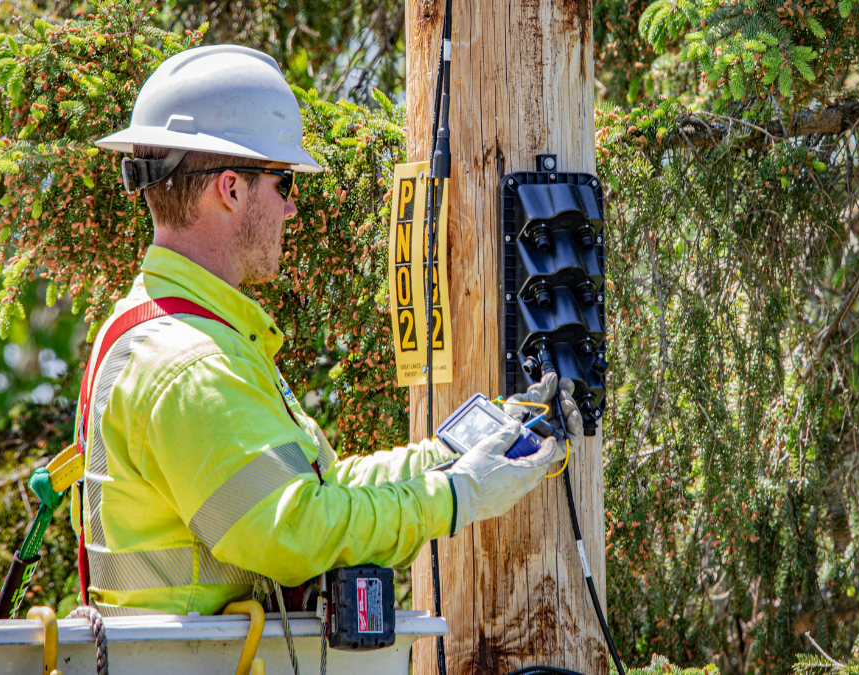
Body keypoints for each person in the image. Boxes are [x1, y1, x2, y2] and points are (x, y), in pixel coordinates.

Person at [76, 44, 582, 617]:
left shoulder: (173, 331)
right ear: (232, 188)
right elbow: (298, 531)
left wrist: (451, 454)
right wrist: (456, 494)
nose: (292, 209)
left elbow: (324, 490)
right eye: (284, 183)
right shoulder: (193, 364)